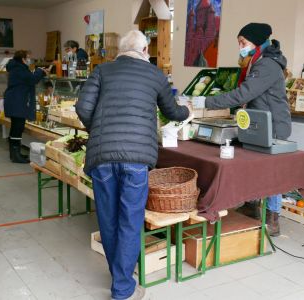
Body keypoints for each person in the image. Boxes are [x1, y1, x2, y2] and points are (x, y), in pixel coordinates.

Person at [76, 30, 190, 300]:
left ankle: (122, 281)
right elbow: (172, 111)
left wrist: (101, 132)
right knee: (129, 220)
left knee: (108, 218)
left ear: (121, 50)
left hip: (102, 158)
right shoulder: (155, 74)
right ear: (145, 49)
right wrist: (189, 111)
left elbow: (83, 107)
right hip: (137, 161)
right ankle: (123, 287)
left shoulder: (102, 71)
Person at [204, 23, 291, 236]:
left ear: (257, 41)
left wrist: (206, 101)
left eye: (243, 42)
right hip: (259, 123)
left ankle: (273, 218)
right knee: (254, 166)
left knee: (273, 173)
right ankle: (252, 205)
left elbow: (244, 94)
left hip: (274, 126)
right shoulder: (258, 61)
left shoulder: (267, 65)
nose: (240, 47)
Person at [4, 50, 48, 163]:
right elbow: (32, 79)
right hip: (17, 101)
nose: (29, 60)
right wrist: (40, 71)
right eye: (28, 58)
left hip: (15, 101)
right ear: (23, 58)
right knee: (17, 128)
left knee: (16, 127)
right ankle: (15, 155)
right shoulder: (19, 68)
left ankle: (15, 154)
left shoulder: (16, 67)